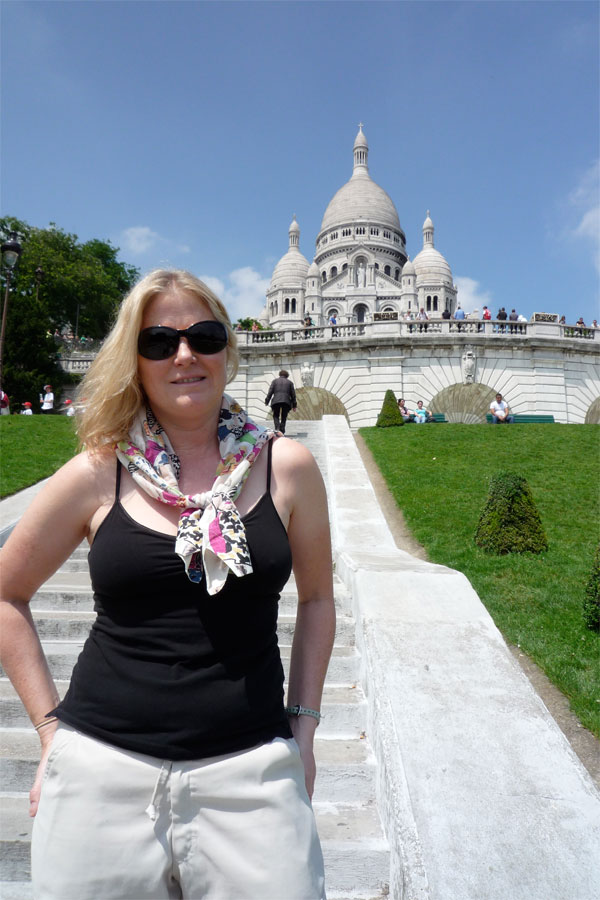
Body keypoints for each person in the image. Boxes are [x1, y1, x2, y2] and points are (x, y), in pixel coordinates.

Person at [0, 269, 333, 900]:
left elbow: (317, 599)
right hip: (100, 772)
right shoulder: (99, 470)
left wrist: (305, 728)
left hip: (254, 771)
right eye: (158, 342)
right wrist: (49, 733)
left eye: (203, 336)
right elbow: (5, 592)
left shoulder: (286, 466)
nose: (184, 355)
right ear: (135, 359)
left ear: (227, 349)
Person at [265, 368, 297, 435]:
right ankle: (282, 429)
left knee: (276, 415)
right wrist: (294, 405)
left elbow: (270, 391)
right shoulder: (290, 383)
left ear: (280, 375)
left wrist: (267, 401)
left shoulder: (274, 381)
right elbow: (293, 395)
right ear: (287, 376)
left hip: (276, 401)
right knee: (284, 416)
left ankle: (277, 428)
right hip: (286, 401)